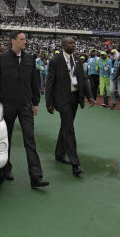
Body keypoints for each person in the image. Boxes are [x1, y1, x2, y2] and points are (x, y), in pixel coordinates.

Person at [0, 31, 49, 188]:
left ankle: (36, 177)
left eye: (25, 39)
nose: (25, 42)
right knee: (6, 138)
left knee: (30, 140)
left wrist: (35, 103)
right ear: (13, 41)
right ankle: (5, 169)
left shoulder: (29, 59)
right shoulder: (1, 59)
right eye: (22, 39)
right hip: (7, 104)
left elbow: (34, 81)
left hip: (25, 105)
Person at [46, 37, 95, 176]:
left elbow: (83, 80)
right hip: (62, 99)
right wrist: (49, 103)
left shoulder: (78, 60)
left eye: (74, 43)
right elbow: (50, 82)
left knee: (66, 127)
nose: (73, 45)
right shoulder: (56, 61)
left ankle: (59, 154)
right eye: (70, 43)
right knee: (69, 130)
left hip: (75, 99)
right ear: (63, 45)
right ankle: (75, 164)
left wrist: (89, 96)